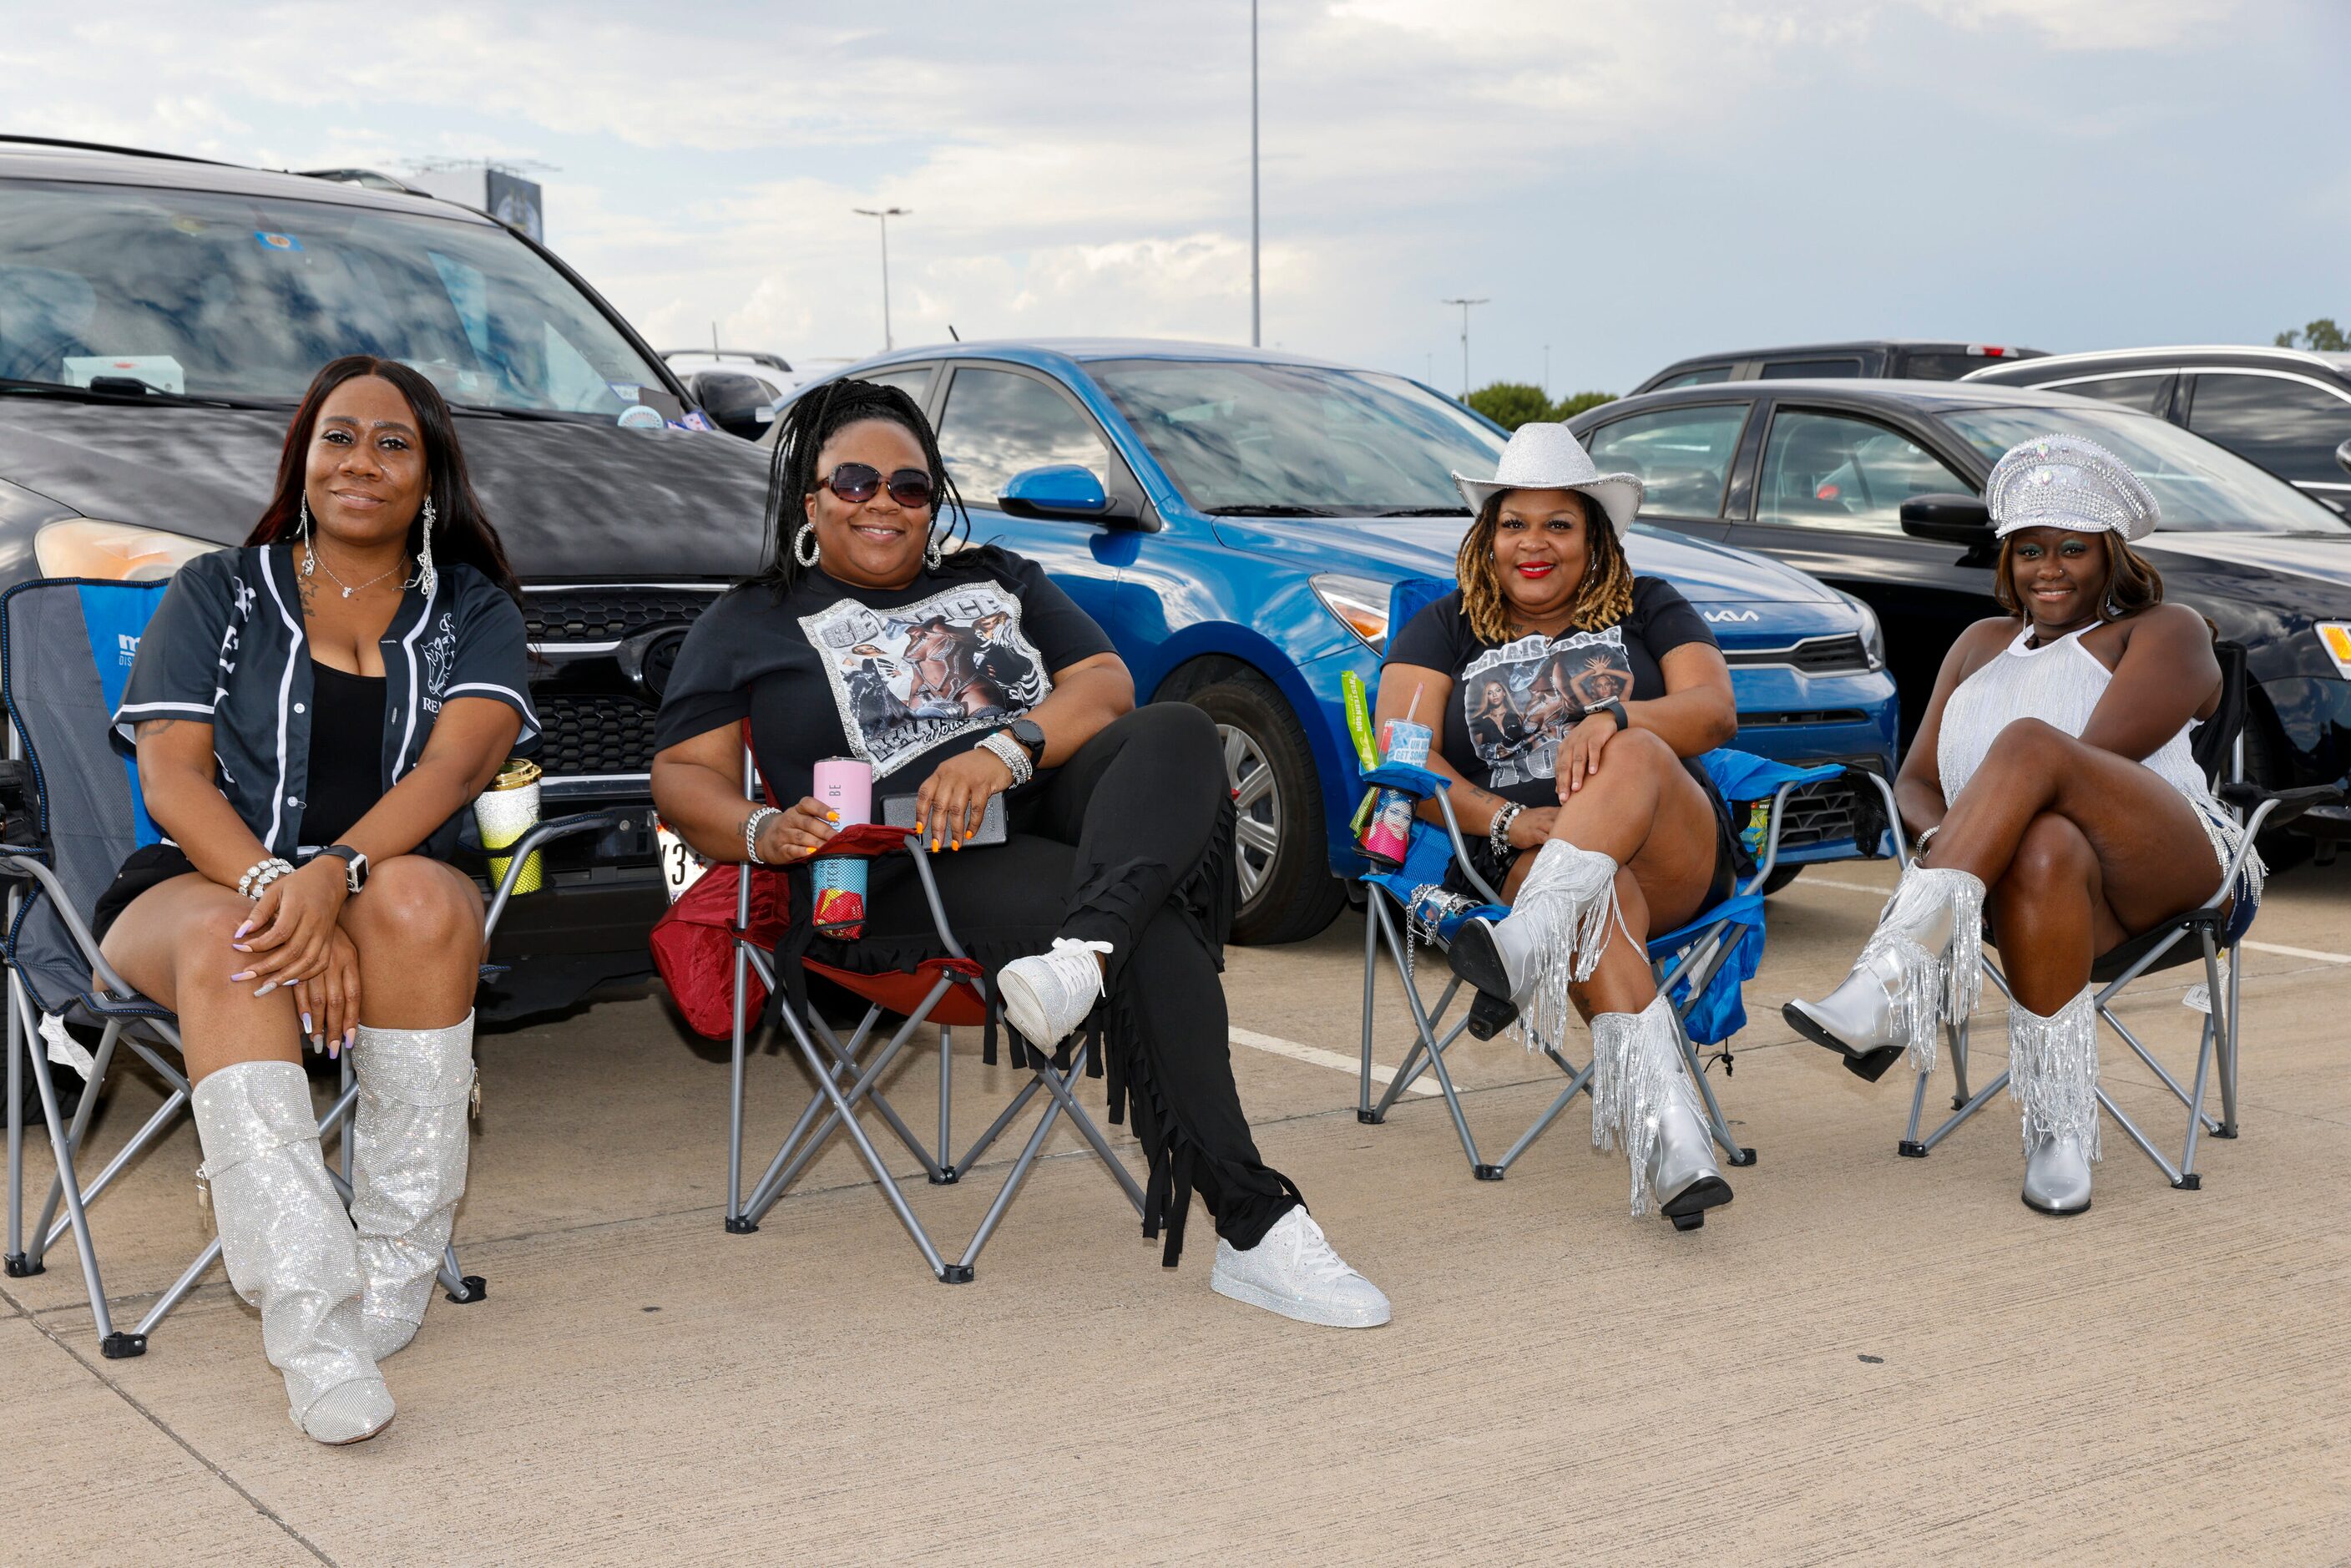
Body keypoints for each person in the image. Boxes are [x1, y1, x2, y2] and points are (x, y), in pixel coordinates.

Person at [650, 378, 1388, 1328]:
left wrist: (1003, 751)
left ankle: (1081, 957)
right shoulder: (749, 620)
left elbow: (1102, 684)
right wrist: (760, 830)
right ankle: (1254, 1224)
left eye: (910, 486)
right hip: (899, 873)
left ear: (934, 499)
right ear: (811, 499)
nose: (883, 501)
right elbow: (682, 776)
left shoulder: (997, 578)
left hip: (1047, 813)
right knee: (1153, 932)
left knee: (1177, 727)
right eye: (855, 481)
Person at [99, 356, 537, 1443]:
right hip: (205, 883)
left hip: (379, 882)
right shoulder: (219, 589)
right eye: (340, 436)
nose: (363, 461)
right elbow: (173, 780)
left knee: (432, 902)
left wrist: (330, 878)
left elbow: (451, 774)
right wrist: (276, 887)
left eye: (395, 442)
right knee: (235, 939)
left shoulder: (469, 610)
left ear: (429, 476)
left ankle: (393, 1265)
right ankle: (308, 1312)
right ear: (303, 458)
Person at [1783, 434, 2257, 1216]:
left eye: (2073, 549)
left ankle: (1894, 979)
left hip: (2172, 871)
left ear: (2110, 555)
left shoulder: (2167, 630)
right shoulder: (1977, 645)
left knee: (2034, 751)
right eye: (2030, 550)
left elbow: (2085, 766)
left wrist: (1976, 837)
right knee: (2041, 846)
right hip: (2031, 883)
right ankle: (2057, 1127)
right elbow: (1916, 784)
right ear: (2006, 560)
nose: (2049, 568)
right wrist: (1953, 844)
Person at [1378, 423, 1743, 1226]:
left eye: (1557, 525)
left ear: (1595, 539)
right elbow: (1405, 759)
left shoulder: (1649, 607)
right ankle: (1674, 1141)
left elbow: (1715, 711)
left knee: (1639, 750)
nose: (1531, 545)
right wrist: (1506, 819)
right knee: (1595, 896)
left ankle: (1525, 942)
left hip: (1670, 843)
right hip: (1525, 850)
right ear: (1488, 537)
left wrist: (1614, 715)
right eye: (1513, 524)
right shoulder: (1443, 627)